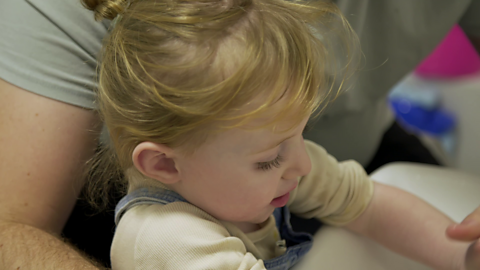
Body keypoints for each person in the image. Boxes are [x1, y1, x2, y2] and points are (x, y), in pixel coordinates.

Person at [0, 0, 480, 269]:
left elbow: (368, 203)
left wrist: (464, 253)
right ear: (164, 165)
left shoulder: (269, 167)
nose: (305, 163)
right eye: (272, 155)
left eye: (300, 132)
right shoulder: (168, 242)